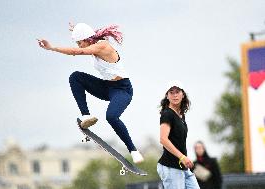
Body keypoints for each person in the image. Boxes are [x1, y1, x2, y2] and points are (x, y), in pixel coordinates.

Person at [37, 22, 144, 163]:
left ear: (87, 39)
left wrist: (52, 48)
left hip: (122, 90)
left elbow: (78, 52)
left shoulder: (102, 46)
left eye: (79, 42)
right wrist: (75, 29)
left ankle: (133, 150)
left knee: (111, 117)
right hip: (106, 87)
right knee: (75, 77)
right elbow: (82, 42)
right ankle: (86, 116)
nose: (78, 46)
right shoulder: (91, 41)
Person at [157, 80, 200, 189]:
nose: (175, 95)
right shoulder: (167, 114)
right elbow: (163, 139)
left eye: (177, 92)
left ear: (183, 94)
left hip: (182, 167)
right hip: (170, 167)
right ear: (167, 96)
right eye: (171, 92)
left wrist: (183, 159)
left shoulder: (181, 116)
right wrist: (182, 157)